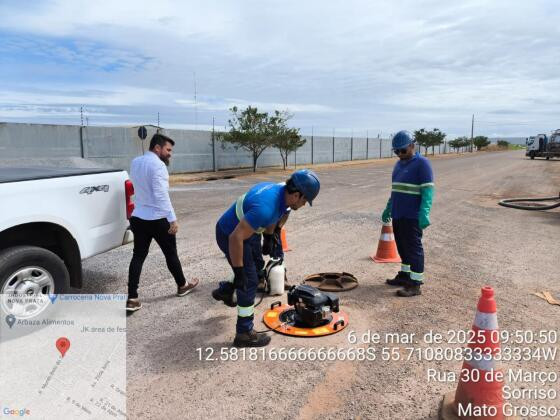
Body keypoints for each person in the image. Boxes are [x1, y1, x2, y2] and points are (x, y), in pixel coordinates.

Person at [212, 169, 320, 347]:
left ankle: (226, 290)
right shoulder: (265, 207)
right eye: (305, 200)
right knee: (249, 280)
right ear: (296, 195)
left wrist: (270, 236)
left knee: (256, 268)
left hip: (248, 229)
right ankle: (244, 333)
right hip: (229, 233)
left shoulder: (282, 193)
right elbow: (236, 238)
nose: (303, 205)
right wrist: (239, 273)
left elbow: (278, 213)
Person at [126, 133, 199, 312]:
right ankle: (182, 286)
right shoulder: (158, 166)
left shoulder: (135, 162)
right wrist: (172, 219)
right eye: (168, 150)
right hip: (158, 219)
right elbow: (161, 195)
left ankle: (132, 298)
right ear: (157, 148)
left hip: (138, 217)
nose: (170, 154)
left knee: (138, 256)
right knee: (171, 254)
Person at [381, 131, 434, 297]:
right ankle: (405, 275)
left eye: (403, 150)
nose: (400, 155)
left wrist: (424, 212)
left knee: (414, 249)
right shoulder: (398, 165)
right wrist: (388, 208)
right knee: (402, 247)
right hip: (398, 214)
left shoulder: (422, 163)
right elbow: (395, 190)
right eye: (396, 152)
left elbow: (428, 191)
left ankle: (415, 283)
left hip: (412, 216)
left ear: (412, 145)